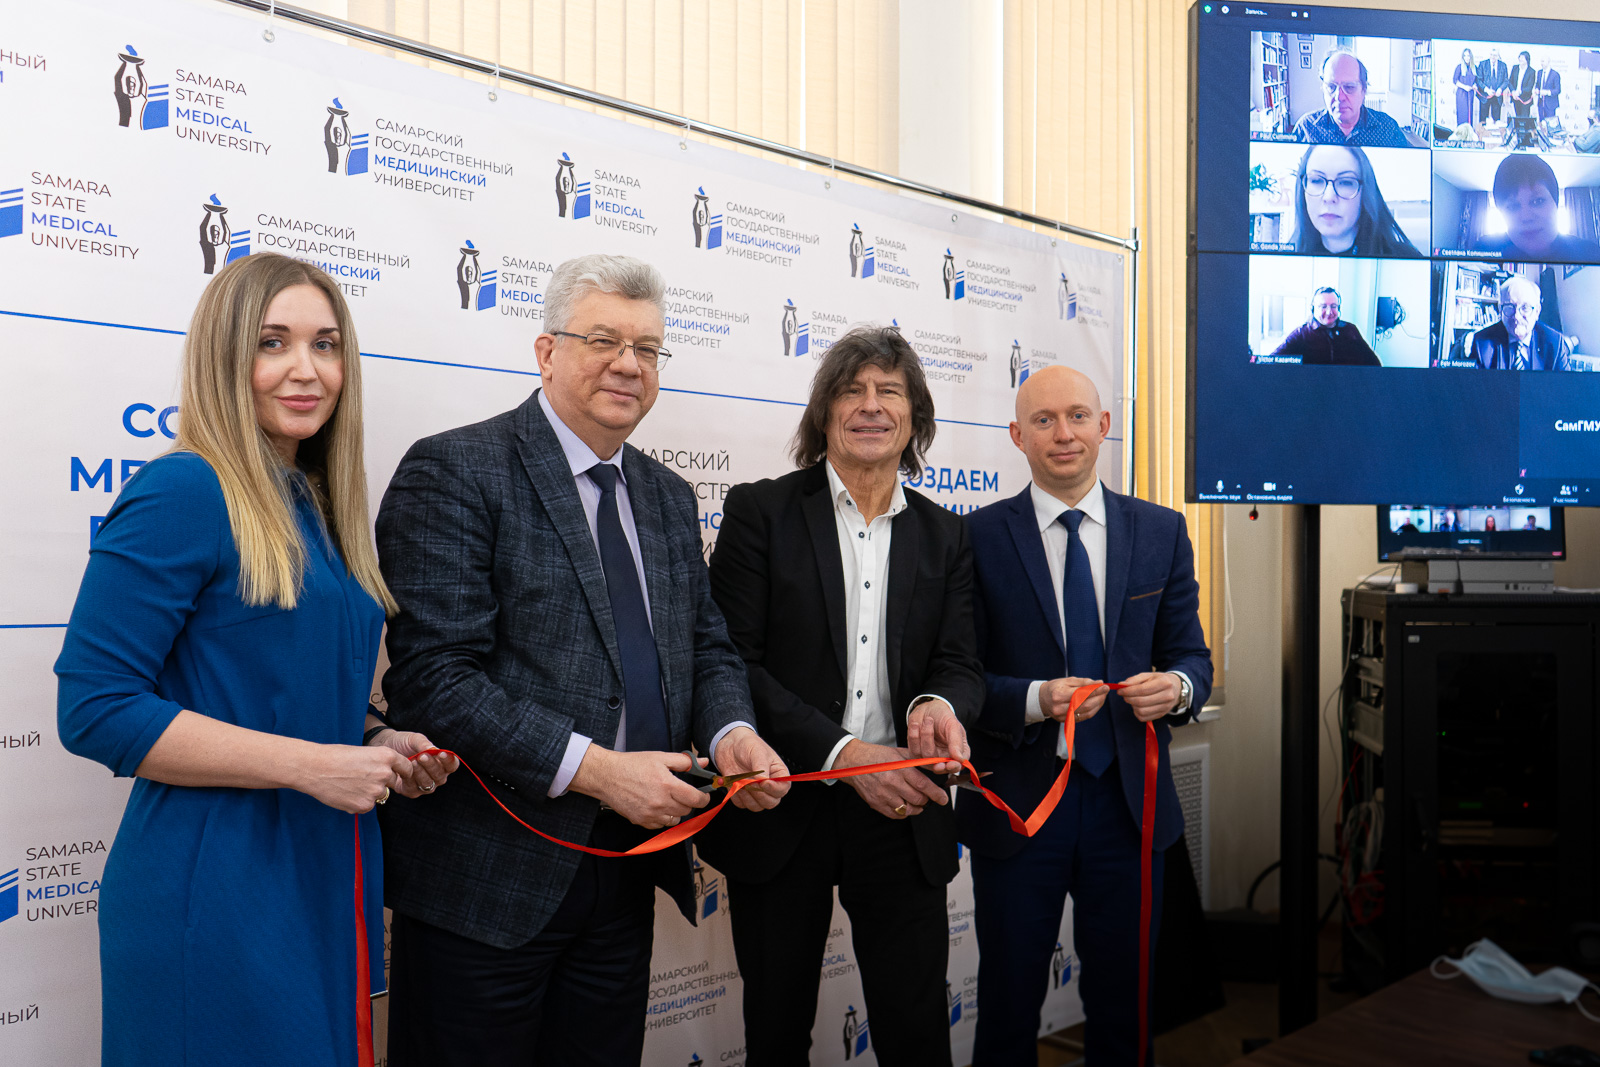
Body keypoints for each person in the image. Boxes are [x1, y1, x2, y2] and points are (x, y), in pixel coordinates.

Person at [375, 254, 790, 1066]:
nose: (629, 364)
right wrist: (600, 771)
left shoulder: (667, 496)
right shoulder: (456, 468)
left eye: (647, 347)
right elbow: (434, 680)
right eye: (603, 340)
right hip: (489, 879)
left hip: (628, 869)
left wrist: (733, 730)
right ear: (547, 351)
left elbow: (706, 645)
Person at [54, 253, 459, 1067]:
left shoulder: (317, 502)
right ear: (224, 356)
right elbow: (94, 707)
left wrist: (372, 740)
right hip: (215, 877)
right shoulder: (185, 490)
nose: (306, 369)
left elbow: (280, 679)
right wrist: (313, 764)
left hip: (320, 863)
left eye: (325, 344)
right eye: (273, 342)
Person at [696, 326, 984, 1067]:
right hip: (783, 800)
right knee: (776, 1030)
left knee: (917, 1031)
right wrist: (847, 754)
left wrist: (937, 706)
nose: (871, 405)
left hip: (902, 808)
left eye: (889, 391)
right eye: (851, 391)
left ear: (915, 416)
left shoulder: (947, 535)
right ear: (824, 413)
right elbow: (731, 660)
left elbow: (959, 662)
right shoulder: (760, 512)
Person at [959, 366, 1212, 1065]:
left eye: (1077, 416)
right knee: (1008, 1009)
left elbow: (1191, 657)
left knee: (1125, 1010)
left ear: (1104, 426)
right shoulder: (975, 537)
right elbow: (961, 679)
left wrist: (1178, 689)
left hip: (1129, 807)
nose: (1063, 433)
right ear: (1018, 435)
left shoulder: (1161, 531)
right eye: (1043, 420)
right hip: (1020, 806)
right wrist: (1037, 699)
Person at [1292, 144, 1423, 257]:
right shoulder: (1287, 256)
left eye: (1346, 182)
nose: (1329, 197)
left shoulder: (1406, 257)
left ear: (1365, 192)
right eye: (1316, 180)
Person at [1475, 154, 1600, 261]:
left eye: (1537, 201)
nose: (1526, 217)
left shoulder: (1589, 252)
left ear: (1556, 203)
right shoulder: (1483, 250)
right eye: (1513, 206)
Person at [1293, 49, 1411, 149]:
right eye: (1331, 87)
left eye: (1349, 87)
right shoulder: (1306, 128)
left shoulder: (1388, 129)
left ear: (1363, 90)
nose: (1339, 97)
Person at [1461, 275, 1575, 371]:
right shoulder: (1481, 343)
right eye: (1509, 307)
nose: (1516, 316)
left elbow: (1565, 386)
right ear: (1500, 310)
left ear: (1537, 312)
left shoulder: (1555, 342)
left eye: (1525, 308)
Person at [1271, 287, 1382, 366]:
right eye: (1323, 306)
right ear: (1313, 309)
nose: (1329, 312)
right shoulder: (1301, 333)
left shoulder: (1350, 330)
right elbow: (1272, 360)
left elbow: (1374, 363)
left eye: (1333, 306)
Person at [1478, 49, 1509, 128]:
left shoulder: (1503, 65)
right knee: (1483, 121)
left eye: (1495, 55)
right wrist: (1486, 90)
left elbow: (1506, 80)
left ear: (1498, 56)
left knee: (1497, 121)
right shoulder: (1483, 64)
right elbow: (1478, 80)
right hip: (1485, 96)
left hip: (1497, 97)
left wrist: (1500, 89)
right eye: (1491, 55)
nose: (1493, 57)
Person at [1453, 49, 1478, 132]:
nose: (1467, 57)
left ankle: (1469, 134)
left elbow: (1476, 81)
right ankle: (1461, 134)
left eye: (1468, 56)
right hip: (1461, 94)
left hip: (1470, 94)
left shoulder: (1474, 68)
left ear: (1471, 57)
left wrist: (1475, 85)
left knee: (1469, 115)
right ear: (1463, 57)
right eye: (1465, 56)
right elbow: (1455, 80)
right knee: (1462, 114)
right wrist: (1464, 87)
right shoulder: (1459, 67)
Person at [1508, 51, 1537, 119]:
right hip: (1515, 98)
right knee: (1517, 119)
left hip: (1525, 99)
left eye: (1522, 58)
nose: (1520, 59)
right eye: (1520, 57)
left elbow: (1529, 87)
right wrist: (1513, 91)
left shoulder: (1531, 71)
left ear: (1527, 60)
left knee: (1524, 120)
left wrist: (1519, 92)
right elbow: (1510, 81)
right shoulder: (1515, 68)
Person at [1536, 55, 1562, 122]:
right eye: (1541, 61)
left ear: (1548, 62)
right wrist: (1536, 89)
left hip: (1550, 104)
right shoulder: (1539, 72)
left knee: (1550, 123)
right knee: (1541, 122)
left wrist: (1547, 92)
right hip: (1541, 103)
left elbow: (1558, 90)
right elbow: (1537, 84)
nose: (1541, 63)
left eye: (1543, 61)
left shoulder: (1555, 74)